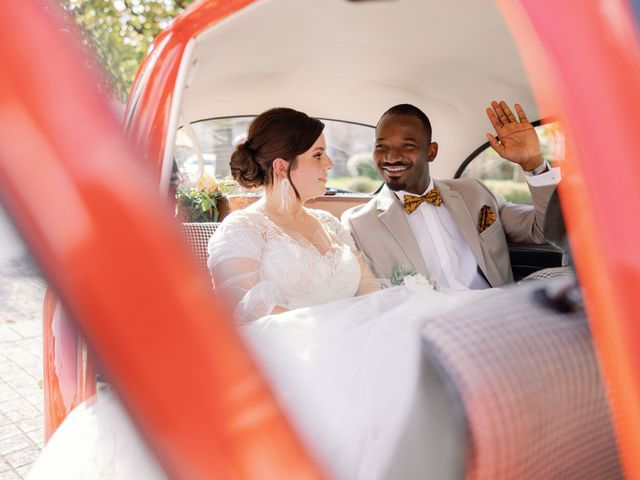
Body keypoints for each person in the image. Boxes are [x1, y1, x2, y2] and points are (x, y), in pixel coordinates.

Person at [206, 107, 491, 479]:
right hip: (290, 369)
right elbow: (247, 313)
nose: (330, 164)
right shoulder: (241, 230)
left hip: (356, 353)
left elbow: (370, 291)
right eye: (318, 155)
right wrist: (339, 350)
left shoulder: (329, 223)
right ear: (281, 167)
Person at [342, 101, 561, 289]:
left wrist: (533, 163)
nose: (391, 157)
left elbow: (544, 230)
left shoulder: (474, 193)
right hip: (428, 328)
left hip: (496, 314)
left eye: (407, 145)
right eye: (382, 147)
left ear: (431, 152)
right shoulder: (358, 224)